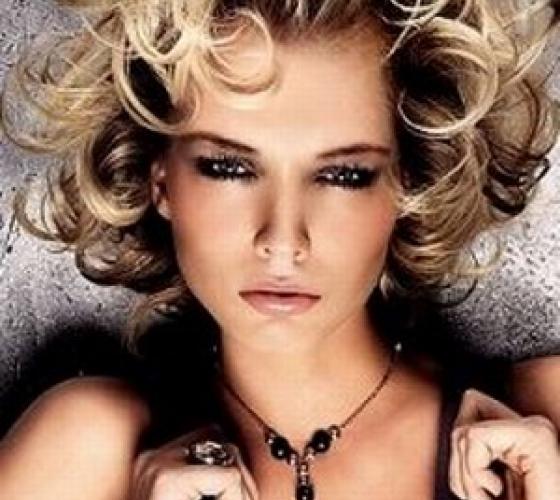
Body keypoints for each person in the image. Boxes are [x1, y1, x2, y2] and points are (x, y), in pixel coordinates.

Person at [0, 1, 559, 499]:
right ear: (160, 178)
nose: (284, 241)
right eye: (228, 168)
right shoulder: (87, 452)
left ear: (408, 183)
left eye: (344, 175)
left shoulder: (542, 425)